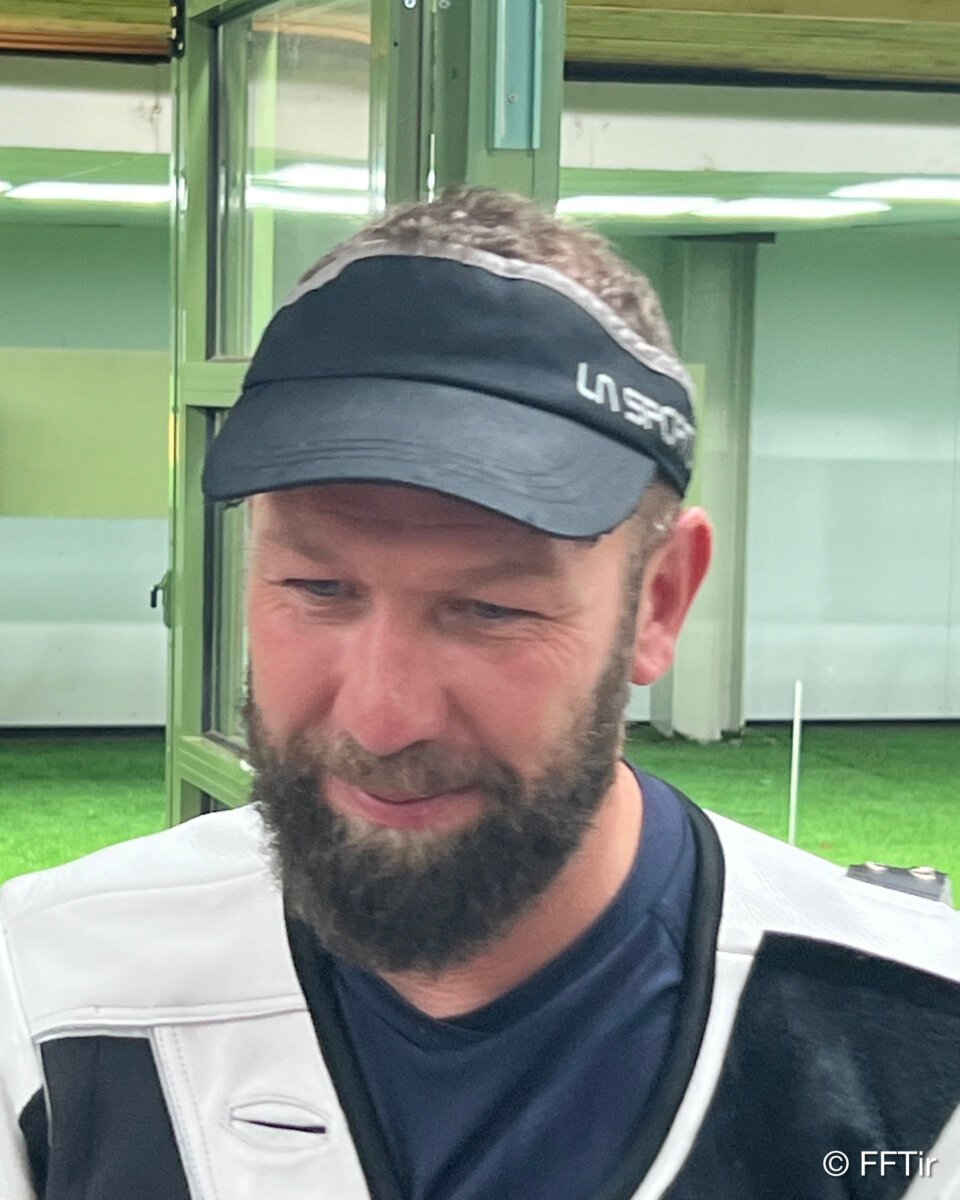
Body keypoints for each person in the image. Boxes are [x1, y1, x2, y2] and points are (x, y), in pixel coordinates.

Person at [2, 188, 959, 1200]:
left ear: (660, 601)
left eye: (492, 608)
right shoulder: (45, 997)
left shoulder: (917, 1054)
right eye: (317, 587)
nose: (381, 718)